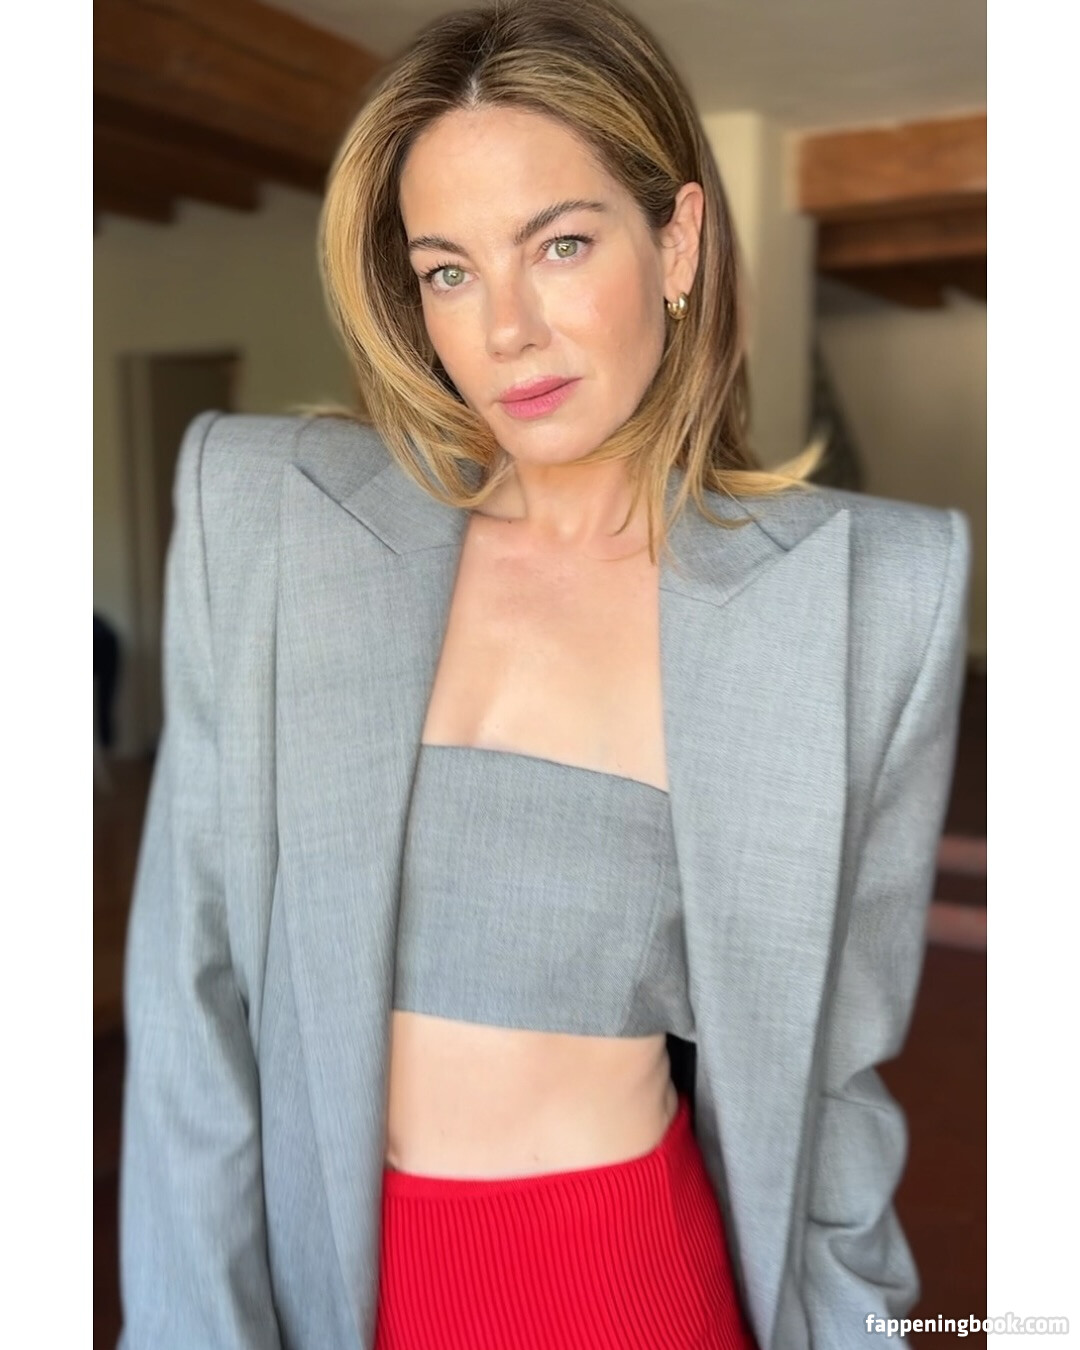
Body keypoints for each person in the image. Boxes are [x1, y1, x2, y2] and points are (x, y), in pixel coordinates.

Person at [117, 1, 971, 1347]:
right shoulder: (271, 521)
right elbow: (191, 1008)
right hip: (338, 1297)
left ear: (676, 242)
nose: (505, 329)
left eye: (560, 245)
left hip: (633, 1287)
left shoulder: (870, 599)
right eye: (448, 271)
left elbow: (832, 1085)